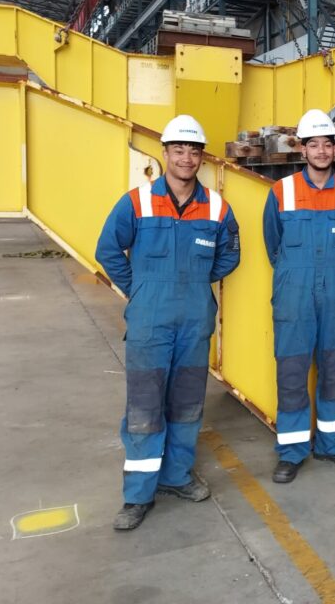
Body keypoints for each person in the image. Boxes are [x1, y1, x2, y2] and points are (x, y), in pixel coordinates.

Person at [96, 114, 241, 531]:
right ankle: (138, 495)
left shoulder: (217, 207)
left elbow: (230, 255)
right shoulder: (136, 202)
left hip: (195, 319)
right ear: (165, 154)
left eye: (193, 151)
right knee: (144, 406)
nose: (186, 158)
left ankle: (177, 476)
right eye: (178, 149)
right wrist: (139, 288)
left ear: (201, 157)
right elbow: (108, 250)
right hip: (149, 320)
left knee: (187, 403)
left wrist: (195, 280)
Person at [264, 109, 335, 484]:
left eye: (327, 144)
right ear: (302, 150)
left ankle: (332, 444)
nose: (321, 151)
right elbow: (272, 242)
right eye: (313, 145)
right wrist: (296, 274)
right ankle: (291, 452)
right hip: (294, 293)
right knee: (291, 371)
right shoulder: (281, 192)